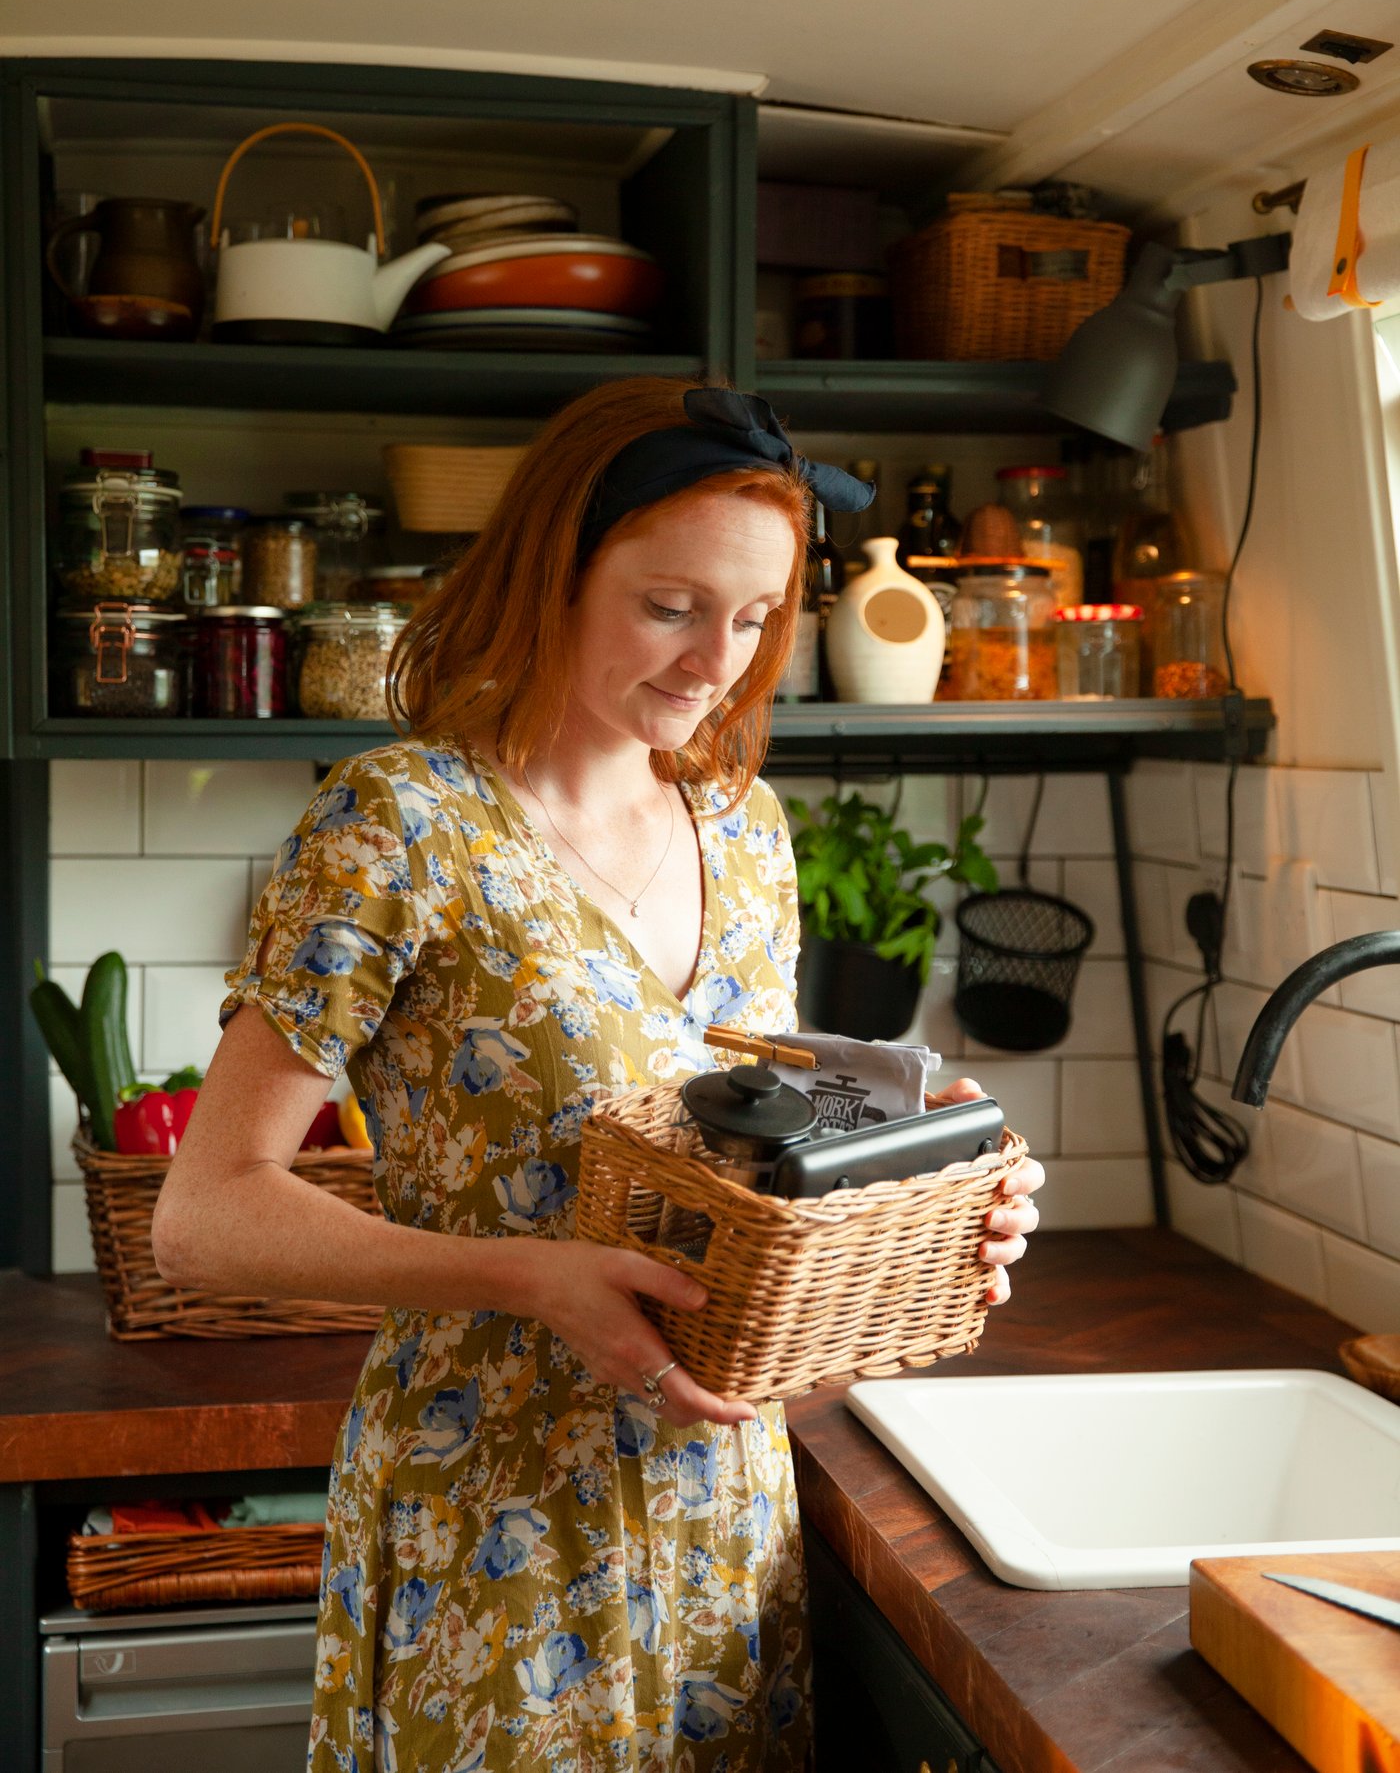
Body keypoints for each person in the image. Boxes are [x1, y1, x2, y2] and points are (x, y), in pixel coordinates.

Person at [152, 377, 1044, 1773]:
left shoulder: (746, 832)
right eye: (672, 605)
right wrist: (531, 1272)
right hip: (486, 1512)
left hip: (718, 1513)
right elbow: (204, 1213)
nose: (717, 665)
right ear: (554, 569)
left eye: (754, 619)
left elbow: (764, 1157)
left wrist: (923, 1212)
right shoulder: (400, 822)